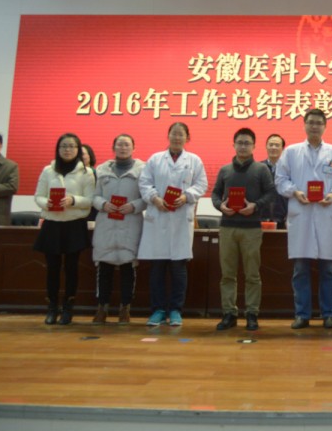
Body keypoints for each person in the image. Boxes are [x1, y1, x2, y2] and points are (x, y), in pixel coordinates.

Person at [275, 108, 332, 330]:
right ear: (305, 125)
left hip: (327, 214)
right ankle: (302, 314)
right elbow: (280, 180)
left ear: (325, 126)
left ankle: (329, 314)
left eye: (319, 123)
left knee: (328, 269)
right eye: (311, 122)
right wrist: (295, 192)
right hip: (302, 214)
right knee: (300, 269)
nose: (315, 126)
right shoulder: (291, 152)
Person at [138, 122, 208, 327]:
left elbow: (201, 184)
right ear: (168, 136)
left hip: (180, 217)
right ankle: (158, 310)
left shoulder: (194, 160)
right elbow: (144, 183)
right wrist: (155, 198)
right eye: (174, 134)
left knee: (179, 267)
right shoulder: (155, 159)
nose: (177, 138)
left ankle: (176, 310)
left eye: (181, 134)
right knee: (157, 268)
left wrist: (187, 196)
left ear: (187, 138)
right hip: (158, 216)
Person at [211, 127, 277, 332]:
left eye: (247, 143)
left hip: (251, 229)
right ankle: (229, 314)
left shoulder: (261, 169)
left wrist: (255, 206)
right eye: (239, 142)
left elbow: (271, 193)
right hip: (227, 228)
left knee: (252, 274)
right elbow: (215, 194)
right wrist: (221, 206)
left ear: (254, 146)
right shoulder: (225, 170)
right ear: (233, 144)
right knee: (227, 274)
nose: (243, 146)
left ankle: (252, 314)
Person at [33, 133, 95, 325]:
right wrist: (48, 203)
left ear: (78, 150)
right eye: (64, 146)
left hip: (74, 225)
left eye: (72, 146)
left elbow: (90, 200)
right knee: (52, 268)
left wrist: (73, 200)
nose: (67, 149)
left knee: (71, 268)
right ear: (58, 149)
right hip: (52, 224)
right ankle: (52, 307)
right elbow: (38, 196)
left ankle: (68, 308)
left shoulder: (86, 172)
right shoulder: (48, 170)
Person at [91, 134, 146, 324]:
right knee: (104, 268)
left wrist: (134, 206)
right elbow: (94, 196)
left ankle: (125, 308)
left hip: (130, 224)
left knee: (128, 268)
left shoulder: (143, 170)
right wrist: (103, 204)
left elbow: (147, 197)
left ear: (133, 148)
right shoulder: (102, 170)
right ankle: (102, 308)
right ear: (113, 147)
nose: (123, 148)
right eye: (119, 144)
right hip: (106, 224)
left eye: (127, 145)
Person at [261, 134, 288, 228]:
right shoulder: (258, 168)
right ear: (266, 147)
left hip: (283, 219)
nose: (273, 147)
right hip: (261, 219)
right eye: (271, 145)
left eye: (277, 145)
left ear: (283, 148)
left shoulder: (288, 169)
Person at [81, 144, 99, 220]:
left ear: (90, 156)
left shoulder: (96, 173)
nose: (80, 157)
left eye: (83, 154)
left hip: (92, 212)